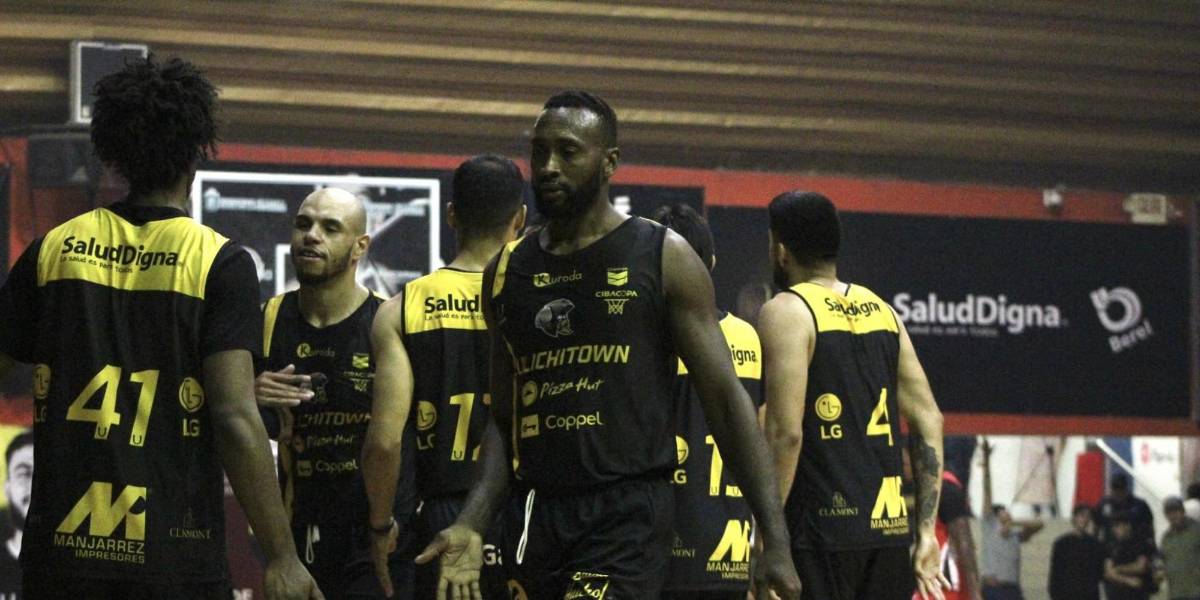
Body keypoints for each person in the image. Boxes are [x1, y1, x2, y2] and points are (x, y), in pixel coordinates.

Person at [417, 90, 800, 600]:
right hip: (536, 516)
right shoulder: (506, 272)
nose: (548, 167)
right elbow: (504, 420)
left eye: (568, 152)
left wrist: (774, 538)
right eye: (539, 152)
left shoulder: (662, 256)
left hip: (627, 515)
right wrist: (472, 520)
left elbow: (728, 404)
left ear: (610, 162)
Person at [0, 56, 320, 599]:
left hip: (62, 560)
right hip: (173, 558)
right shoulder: (219, 262)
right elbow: (234, 416)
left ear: (112, 156)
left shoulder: (52, 251)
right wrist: (282, 555)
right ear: (196, 153)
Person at [759, 191, 947, 600]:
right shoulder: (884, 311)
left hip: (818, 536)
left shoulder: (787, 310)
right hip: (888, 537)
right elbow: (929, 419)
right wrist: (926, 531)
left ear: (781, 250)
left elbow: (786, 435)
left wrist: (768, 539)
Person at [362, 155, 526, 599]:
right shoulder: (535, 304)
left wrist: (380, 526)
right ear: (520, 220)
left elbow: (384, 443)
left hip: (441, 520)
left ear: (451, 215)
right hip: (522, 516)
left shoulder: (401, 309)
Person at [254, 187, 414, 598]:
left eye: (330, 228)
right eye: (303, 224)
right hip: (298, 536)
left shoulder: (387, 322)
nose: (311, 235)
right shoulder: (266, 320)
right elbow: (221, 415)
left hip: (377, 538)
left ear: (360, 246)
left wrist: (385, 524)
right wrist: (248, 394)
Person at [652, 203, 763, 600]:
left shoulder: (646, 335)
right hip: (729, 550)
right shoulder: (747, 337)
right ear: (711, 263)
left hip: (656, 551)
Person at [979, 439, 1044, 600]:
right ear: (996, 516)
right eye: (1003, 512)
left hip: (1012, 589)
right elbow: (987, 492)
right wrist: (986, 462)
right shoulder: (990, 526)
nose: (1007, 513)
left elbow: (1039, 524)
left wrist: (1013, 523)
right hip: (993, 589)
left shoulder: (1015, 535)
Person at [910, 468, 982, 600]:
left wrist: (975, 594)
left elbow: (965, 542)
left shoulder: (945, 488)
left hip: (945, 587)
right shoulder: (922, 486)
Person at [1047, 505, 1106, 600]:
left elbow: (1099, 572)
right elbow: (1055, 572)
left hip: (1089, 594)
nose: (1084, 519)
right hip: (1067, 594)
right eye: (1082, 516)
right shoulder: (1061, 543)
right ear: (1074, 518)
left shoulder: (1095, 545)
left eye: (1087, 517)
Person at [0, 431, 31, 600]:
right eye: (23, 474)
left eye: (45, 473)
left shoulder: (81, 567)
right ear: (8, 488)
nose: (34, 484)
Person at [1104, 511, 1154, 600]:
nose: (1115, 530)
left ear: (1127, 526)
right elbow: (1108, 573)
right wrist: (1128, 580)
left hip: (1137, 595)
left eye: (1118, 526)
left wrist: (1118, 569)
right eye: (1114, 526)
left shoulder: (1140, 543)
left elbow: (1140, 567)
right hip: (1117, 595)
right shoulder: (1111, 547)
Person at [1098, 474, 1155, 548]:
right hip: (1110, 547)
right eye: (1115, 488)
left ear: (1126, 488)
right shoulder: (1105, 504)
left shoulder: (1139, 505)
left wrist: (1150, 543)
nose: (1118, 492)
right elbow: (1096, 523)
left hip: (1136, 547)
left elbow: (1149, 526)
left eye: (1121, 488)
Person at [1159, 496, 1200, 600]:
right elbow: (1162, 561)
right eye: (1169, 513)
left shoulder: (1196, 530)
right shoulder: (1166, 538)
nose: (1173, 516)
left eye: (1176, 511)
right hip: (1176, 593)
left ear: (1182, 511)